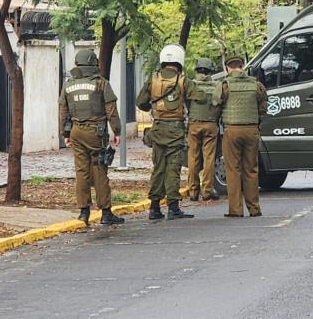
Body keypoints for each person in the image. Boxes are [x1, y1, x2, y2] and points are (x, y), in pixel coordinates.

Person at [136, 44, 204, 220]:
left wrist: (154, 106)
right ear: (179, 61)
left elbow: (140, 102)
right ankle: (173, 208)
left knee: (158, 168)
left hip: (157, 129)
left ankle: (154, 208)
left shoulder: (153, 79)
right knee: (172, 169)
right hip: (175, 130)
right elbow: (200, 98)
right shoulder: (183, 81)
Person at [58, 49, 124, 225]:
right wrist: (117, 131)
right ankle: (106, 213)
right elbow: (111, 111)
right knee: (99, 170)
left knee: (81, 171)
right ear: (93, 63)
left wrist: (65, 134)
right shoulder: (101, 83)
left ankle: (83, 212)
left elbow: (63, 111)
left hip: (76, 132)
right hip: (96, 132)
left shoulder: (68, 85)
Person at [213, 56, 267, 218]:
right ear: (242, 67)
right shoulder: (256, 85)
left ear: (228, 69)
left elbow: (215, 107)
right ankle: (254, 208)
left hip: (232, 131)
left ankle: (236, 210)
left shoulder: (224, 85)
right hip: (252, 130)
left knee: (233, 170)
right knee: (251, 169)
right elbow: (263, 107)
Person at [186, 58, 221, 202]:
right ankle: (207, 190)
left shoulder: (191, 85)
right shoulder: (216, 85)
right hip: (211, 125)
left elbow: (187, 103)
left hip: (194, 124)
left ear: (197, 70)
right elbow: (219, 104)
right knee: (209, 158)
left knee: (193, 158)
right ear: (210, 71)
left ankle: (193, 191)